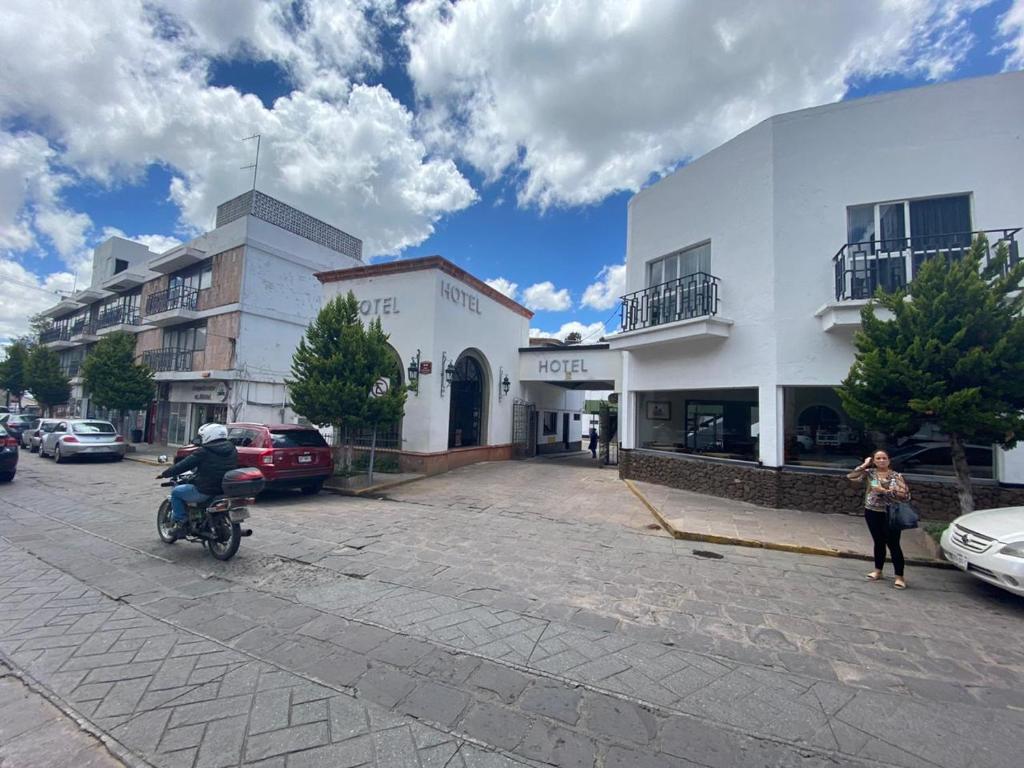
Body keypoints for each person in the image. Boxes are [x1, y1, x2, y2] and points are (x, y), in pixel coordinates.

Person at [158, 423, 238, 538]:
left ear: (209, 435)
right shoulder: (232, 449)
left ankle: (182, 524)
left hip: (205, 490)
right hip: (224, 489)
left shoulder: (204, 451)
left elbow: (184, 465)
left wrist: (165, 473)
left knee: (176, 492)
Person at [847, 449, 911, 589]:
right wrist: (864, 465)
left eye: (884, 458)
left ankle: (899, 576)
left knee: (893, 544)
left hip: (891, 513)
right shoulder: (870, 474)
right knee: (878, 541)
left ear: (889, 460)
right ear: (874, 461)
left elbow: (905, 495)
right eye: (878, 458)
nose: (881, 461)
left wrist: (886, 491)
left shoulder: (896, 476)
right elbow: (851, 476)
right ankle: (878, 570)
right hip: (872, 511)